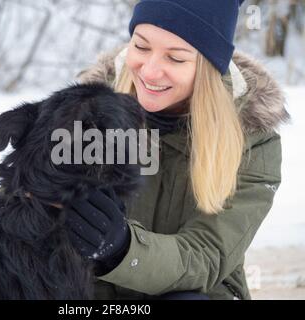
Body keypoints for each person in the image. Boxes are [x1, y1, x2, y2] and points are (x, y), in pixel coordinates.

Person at [65, 0, 291, 300]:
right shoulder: (86, 109)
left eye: (175, 58)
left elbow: (206, 256)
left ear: (208, 66)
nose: (151, 71)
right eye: (142, 47)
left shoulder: (252, 139)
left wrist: (123, 248)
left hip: (198, 292)